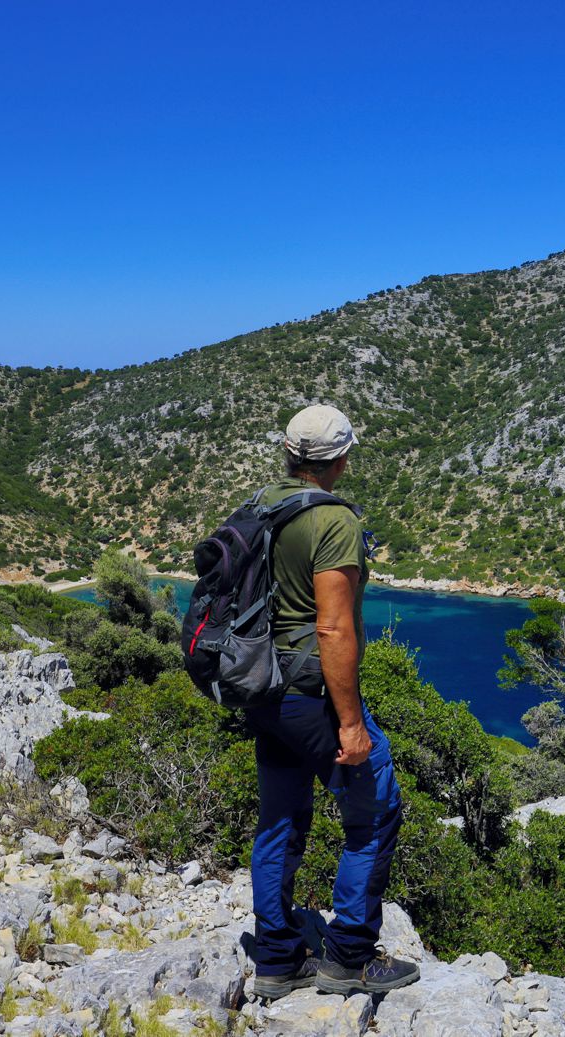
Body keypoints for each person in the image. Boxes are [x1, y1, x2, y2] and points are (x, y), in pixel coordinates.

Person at [248, 404, 420, 999]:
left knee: (280, 819)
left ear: (289, 453)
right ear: (341, 458)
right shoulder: (334, 521)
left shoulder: (261, 505)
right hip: (310, 692)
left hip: (263, 690)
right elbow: (333, 630)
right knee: (375, 811)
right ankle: (349, 956)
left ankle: (275, 959)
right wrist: (350, 721)